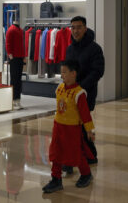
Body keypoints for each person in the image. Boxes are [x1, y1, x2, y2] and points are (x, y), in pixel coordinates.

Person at [43, 60, 95, 193]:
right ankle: (56, 179)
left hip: (72, 129)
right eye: (61, 72)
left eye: (64, 72)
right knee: (56, 152)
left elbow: (85, 114)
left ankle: (86, 174)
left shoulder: (79, 93)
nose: (62, 75)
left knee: (76, 153)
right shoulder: (59, 88)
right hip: (58, 126)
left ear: (74, 74)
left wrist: (90, 130)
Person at [65, 16, 105, 167]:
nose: (75, 31)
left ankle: (89, 155)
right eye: (73, 27)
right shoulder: (70, 48)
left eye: (79, 27)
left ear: (85, 28)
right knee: (74, 125)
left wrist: (80, 88)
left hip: (85, 94)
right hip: (70, 95)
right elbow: (67, 70)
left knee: (83, 125)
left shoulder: (95, 49)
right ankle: (85, 155)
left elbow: (98, 71)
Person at [6, 21, 25, 109]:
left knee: (19, 79)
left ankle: (18, 99)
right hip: (14, 58)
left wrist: (24, 56)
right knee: (14, 79)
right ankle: (13, 100)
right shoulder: (11, 30)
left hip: (20, 57)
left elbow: (22, 45)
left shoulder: (20, 30)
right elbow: (8, 43)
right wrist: (10, 54)